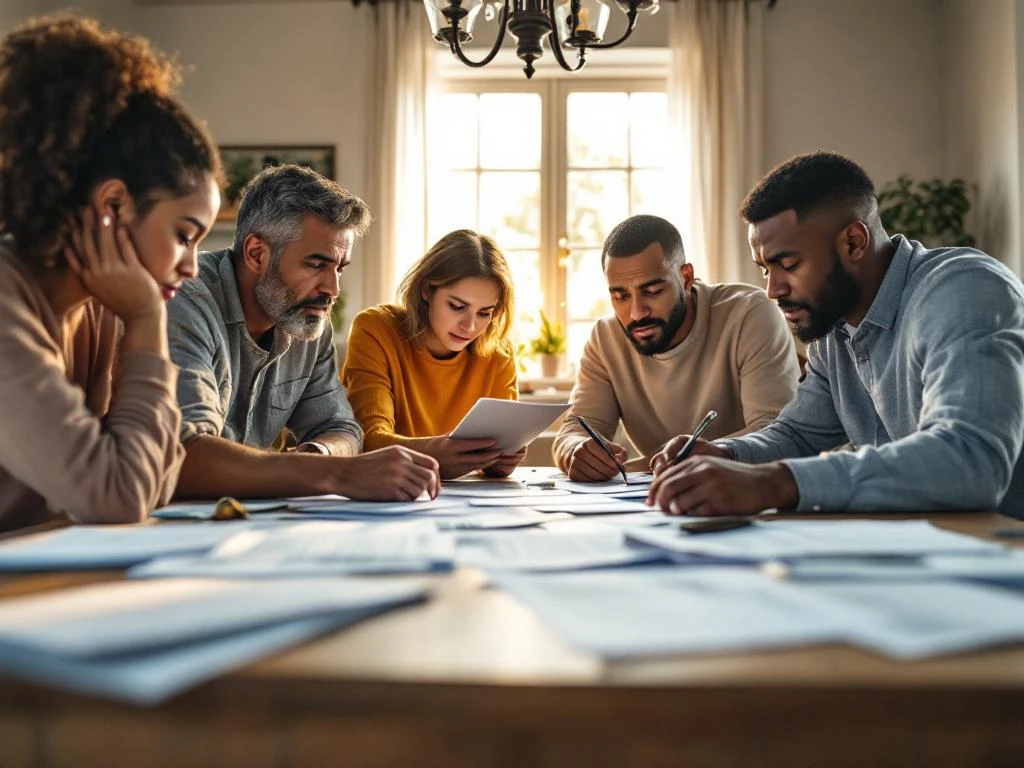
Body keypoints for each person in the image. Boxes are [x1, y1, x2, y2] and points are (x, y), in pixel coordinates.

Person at [648, 150, 1024, 518]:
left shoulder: (963, 290)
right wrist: (724, 454)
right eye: (765, 269)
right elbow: (797, 435)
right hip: (926, 549)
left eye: (788, 264)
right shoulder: (834, 325)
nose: (772, 289)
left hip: (1004, 553)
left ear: (853, 243)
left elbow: (969, 459)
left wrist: (773, 482)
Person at [0, 15, 221, 531]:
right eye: (185, 235)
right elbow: (117, 497)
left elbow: (156, 480)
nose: (191, 266)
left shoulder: (96, 310)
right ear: (116, 204)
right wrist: (146, 317)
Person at [168, 165, 439, 501]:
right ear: (257, 254)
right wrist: (337, 474)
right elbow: (184, 456)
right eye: (316, 265)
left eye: (339, 268)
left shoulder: (305, 318)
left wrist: (317, 455)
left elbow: (341, 429)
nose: (333, 289)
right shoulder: (183, 303)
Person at [553, 214, 800, 481]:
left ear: (686, 277)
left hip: (748, 492)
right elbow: (575, 430)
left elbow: (778, 432)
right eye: (621, 296)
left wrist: (713, 452)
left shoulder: (750, 313)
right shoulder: (605, 338)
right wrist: (576, 451)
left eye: (653, 291)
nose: (637, 313)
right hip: (654, 503)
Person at [342, 229, 525, 479]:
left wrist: (501, 461)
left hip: (458, 502)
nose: (470, 327)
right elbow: (369, 441)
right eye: (457, 307)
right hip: (385, 493)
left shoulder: (498, 352)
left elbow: (499, 451)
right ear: (426, 290)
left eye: (485, 313)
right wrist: (436, 453)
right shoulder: (376, 329)